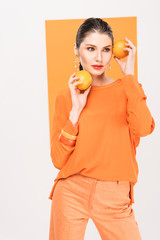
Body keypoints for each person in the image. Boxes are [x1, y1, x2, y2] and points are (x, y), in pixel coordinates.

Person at [48, 17, 155, 240]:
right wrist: (75, 113)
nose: (99, 57)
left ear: (113, 53)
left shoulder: (126, 89)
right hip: (71, 192)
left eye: (106, 49)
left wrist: (129, 76)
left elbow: (144, 128)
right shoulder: (65, 98)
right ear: (77, 50)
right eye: (90, 48)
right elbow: (58, 160)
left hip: (114, 196)